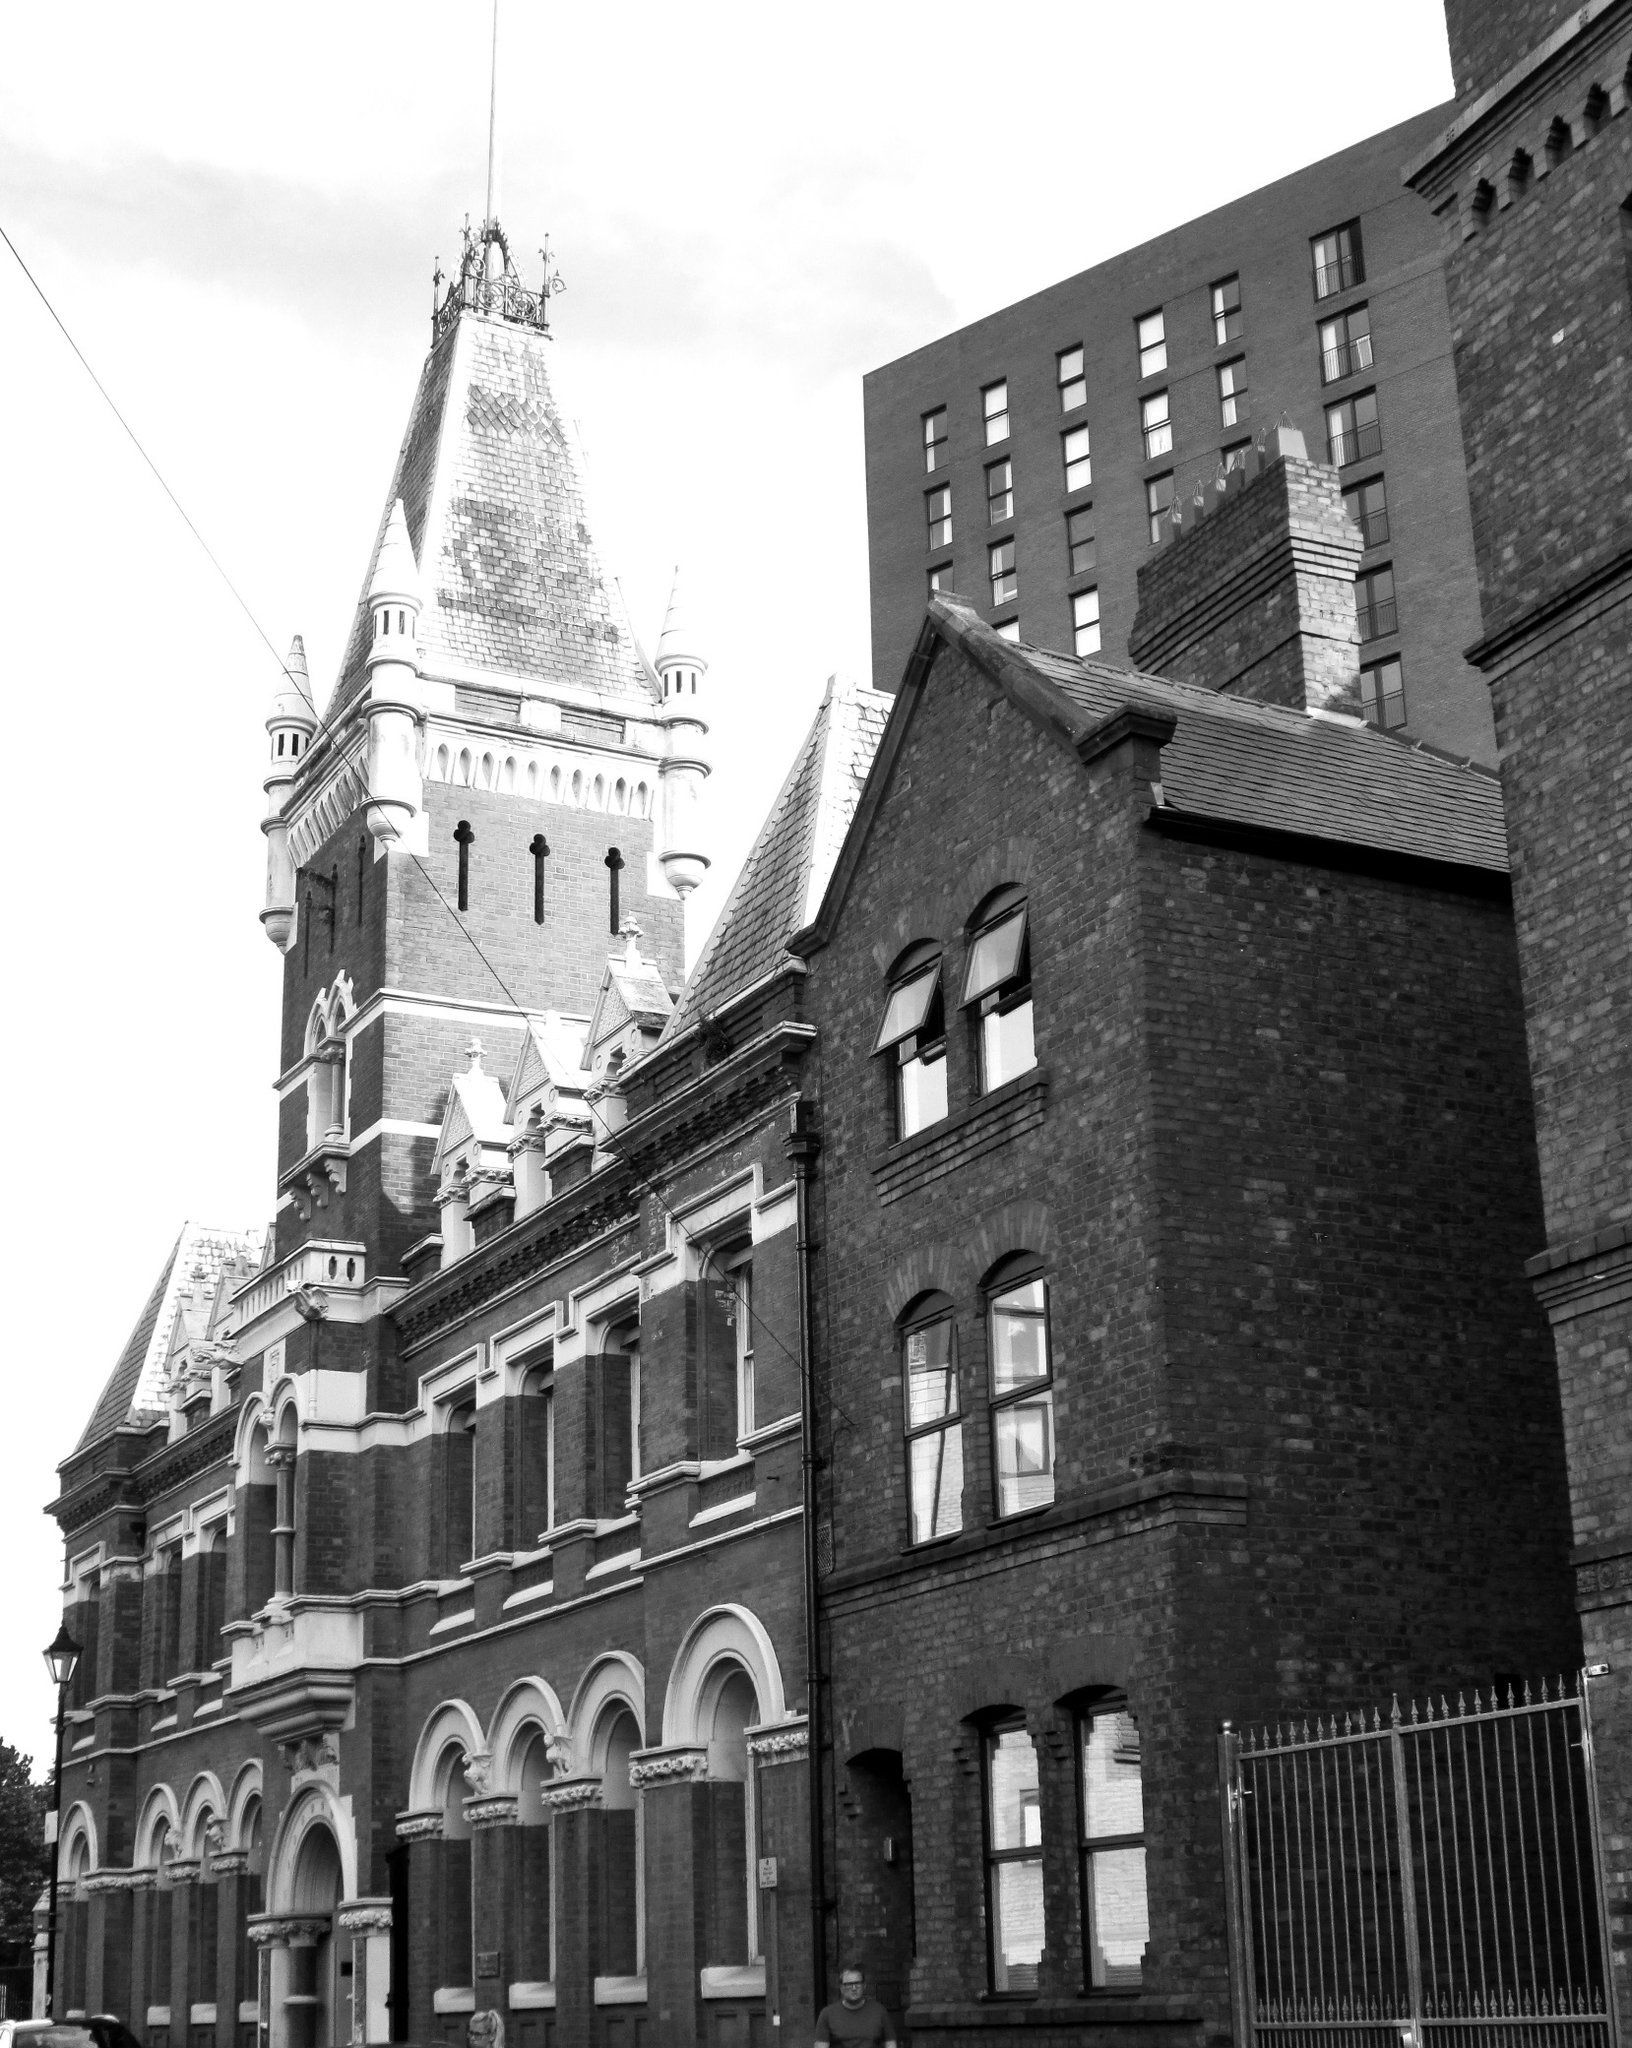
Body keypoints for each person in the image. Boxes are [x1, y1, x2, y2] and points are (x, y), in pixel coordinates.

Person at [812, 1966, 897, 2045]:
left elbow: (890, 2043)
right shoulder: (827, 2014)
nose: (854, 1988)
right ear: (841, 1988)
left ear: (864, 1985)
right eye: (849, 1984)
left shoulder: (879, 2011)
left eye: (857, 1983)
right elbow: (821, 2045)